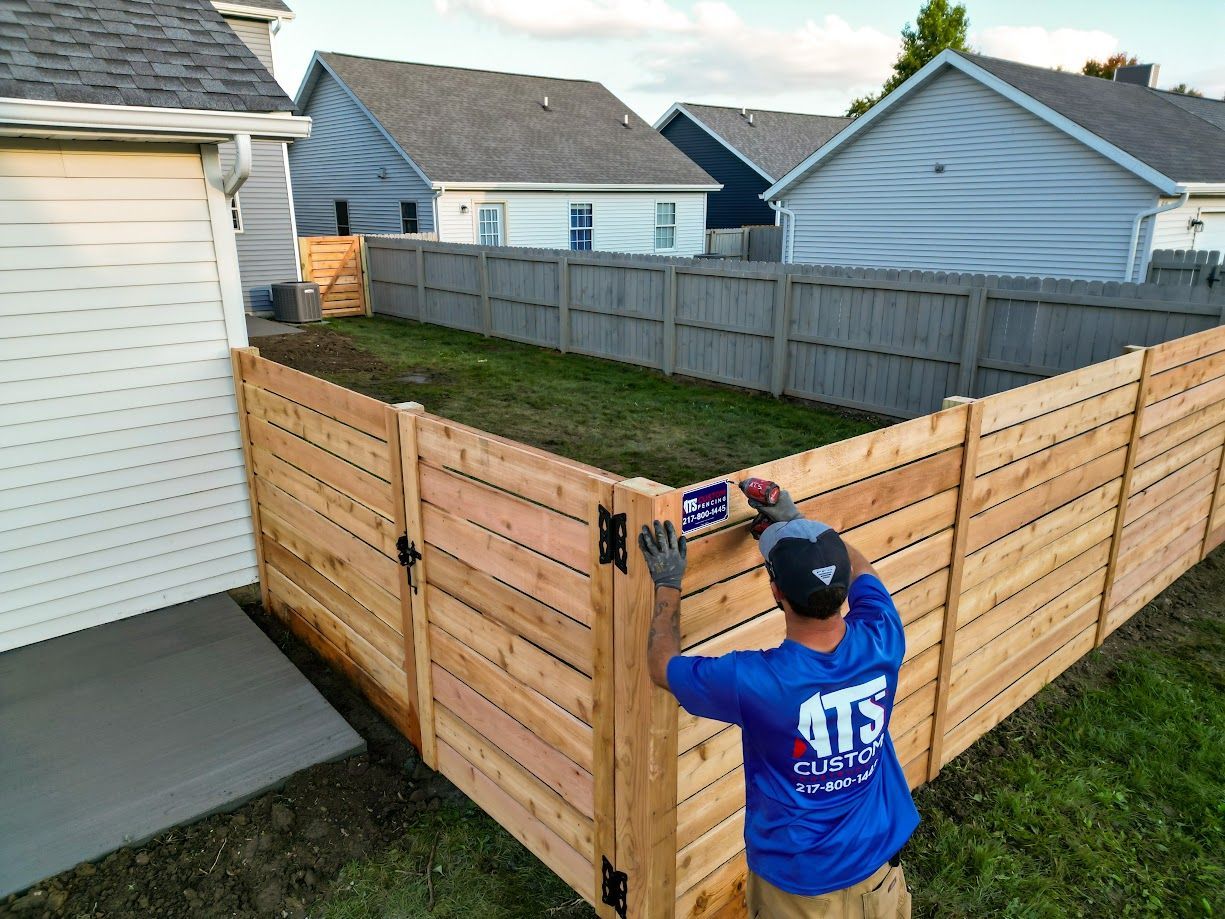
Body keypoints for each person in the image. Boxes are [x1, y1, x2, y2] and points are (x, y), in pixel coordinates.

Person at [637, 481, 918, 919]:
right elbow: (862, 567)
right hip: (878, 878)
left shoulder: (754, 681)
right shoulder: (884, 636)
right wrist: (798, 524)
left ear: (774, 592)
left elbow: (661, 665)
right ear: (845, 588)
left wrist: (668, 583)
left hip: (797, 892)